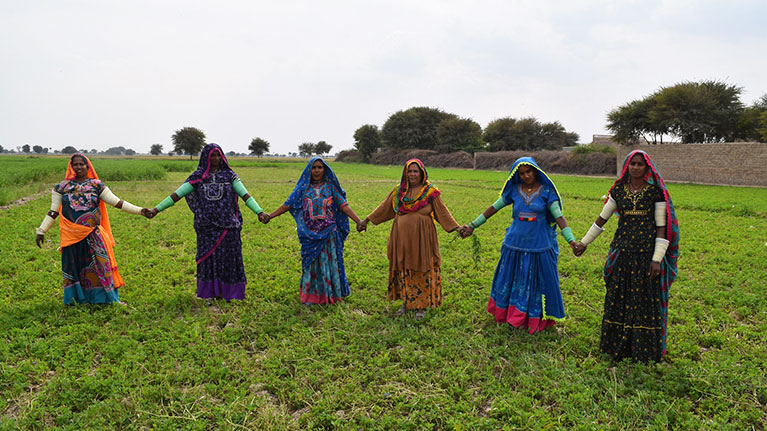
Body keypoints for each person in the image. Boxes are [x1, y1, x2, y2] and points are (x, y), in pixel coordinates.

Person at [574, 150, 679, 363]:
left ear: (647, 168)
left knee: (643, 301)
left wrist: (657, 259)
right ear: (627, 167)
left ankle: (644, 351)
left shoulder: (654, 193)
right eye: (632, 164)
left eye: (640, 164)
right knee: (618, 297)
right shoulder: (618, 192)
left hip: (645, 255)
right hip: (622, 252)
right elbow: (601, 220)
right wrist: (583, 243)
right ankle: (616, 346)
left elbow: (661, 228)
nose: (636, 168)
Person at [461, 157, 577, 333]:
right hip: (514, 245)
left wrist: (571, 240)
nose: (525, 176)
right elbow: (493, 208)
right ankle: (510, 315)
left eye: (528, 172)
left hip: (539, 246)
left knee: (537, 283)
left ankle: (533, 318)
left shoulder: (547, 192)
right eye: (521, 173)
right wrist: (472, 226)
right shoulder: (513, 191)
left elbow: (559, 216)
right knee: (510, 279)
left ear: (535, 171)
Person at [151, 143, 268, 301]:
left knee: (230, 259)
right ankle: (209, 294)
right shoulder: (197, 177)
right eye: (212, 155)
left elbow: (245, 195)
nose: (215, 159)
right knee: (208, 260)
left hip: (229, 227)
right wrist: (156, 209)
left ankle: (230, 294)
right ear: (205, 157)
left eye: (218, 155)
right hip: (206, 228)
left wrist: (259, 211)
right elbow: (176, 196)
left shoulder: (230, 176)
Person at [35, 153, 150, 305]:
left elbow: (118, 203)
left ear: (87, 166)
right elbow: (53, 212)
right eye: (75, 164)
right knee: (74, 267)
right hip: (71, 235)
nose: (78, 167)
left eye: (81, 164)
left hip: (92, 234)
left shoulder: (97, 185)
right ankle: (78, 300)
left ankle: (109, 299)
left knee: (101, 266)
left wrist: (141, 211)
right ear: (71, 166)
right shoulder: (61, 187)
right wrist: (41, 230)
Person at [358, 159, 460, 319]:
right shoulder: (399, 192)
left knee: (422, 267)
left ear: (422, 173)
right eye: (409, 171)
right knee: (404, 267)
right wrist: (366, 220)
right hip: (401, 239)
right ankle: (407, 302)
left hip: (422, 239)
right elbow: (384, 208)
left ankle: (422, 306)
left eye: (415, 171)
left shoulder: (430, 192)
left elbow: (443, 213)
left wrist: (457, 228)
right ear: (405, 173)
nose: (412, 174)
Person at [265, 157, 362, 305]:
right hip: (309, 235)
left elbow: (344, 206)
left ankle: (332, 295)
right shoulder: (302, 189)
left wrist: (359, 221)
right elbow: (287, 205)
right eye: (314, 167)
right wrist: (270, 216)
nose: (317, 171)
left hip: (329, 233)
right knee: (311, 265)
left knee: (330, 264)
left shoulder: (330, 188)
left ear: (325, 170)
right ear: (309, 170)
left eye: (320, 167)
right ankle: (312, 297)